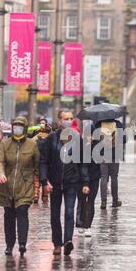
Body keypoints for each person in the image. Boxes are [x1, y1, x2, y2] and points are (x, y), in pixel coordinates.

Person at [40, 109, 90, 256]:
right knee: (55, 215)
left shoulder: (77, 139)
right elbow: (44, 161)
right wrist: (44, 181)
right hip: (54, 183)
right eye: (65, 118)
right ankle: (57, 243)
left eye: (70, 118)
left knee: (69, 212)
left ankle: (68, 241)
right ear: (59, 121)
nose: (68, 121)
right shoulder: (51, 139)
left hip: (72, 183)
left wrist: (85, 182)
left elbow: (83, 163)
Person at [0, 117, 40, 257]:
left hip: (25, 186)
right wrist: (1, 173)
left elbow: (37, 165)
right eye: (15, 125)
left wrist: (41, 183)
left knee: (22, 213)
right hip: (7, 186)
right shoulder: (5, 143)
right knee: (8, 216)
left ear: (25, 128)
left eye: (20, 126)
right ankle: (9, 244)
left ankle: (22, 243)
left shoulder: (32, 145)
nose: (17, 128)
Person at [76, 124, 101, 237]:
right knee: (81, 200)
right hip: (81, 178)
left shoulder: (99, 146)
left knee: (90, 201)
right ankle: (80, 224)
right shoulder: (79, 146)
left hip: (95, 178)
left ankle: (88, 226)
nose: (89, 137)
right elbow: (81, 165)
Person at [98, 119, 124, 209]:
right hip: (115, 155)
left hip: (103, 154)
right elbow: (123, 139)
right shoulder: (118, 124)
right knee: (114, 177)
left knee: (103, 177)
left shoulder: (99, 123)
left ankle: (103, 201)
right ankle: (115, 200)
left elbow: (94, 139)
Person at [32, 122, 52, 206]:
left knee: (36, 182)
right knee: (45, 182)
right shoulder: (51, 138)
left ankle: (35, 196)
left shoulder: (34, 139)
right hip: (47, 165)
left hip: (36, 164)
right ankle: (45, 199)